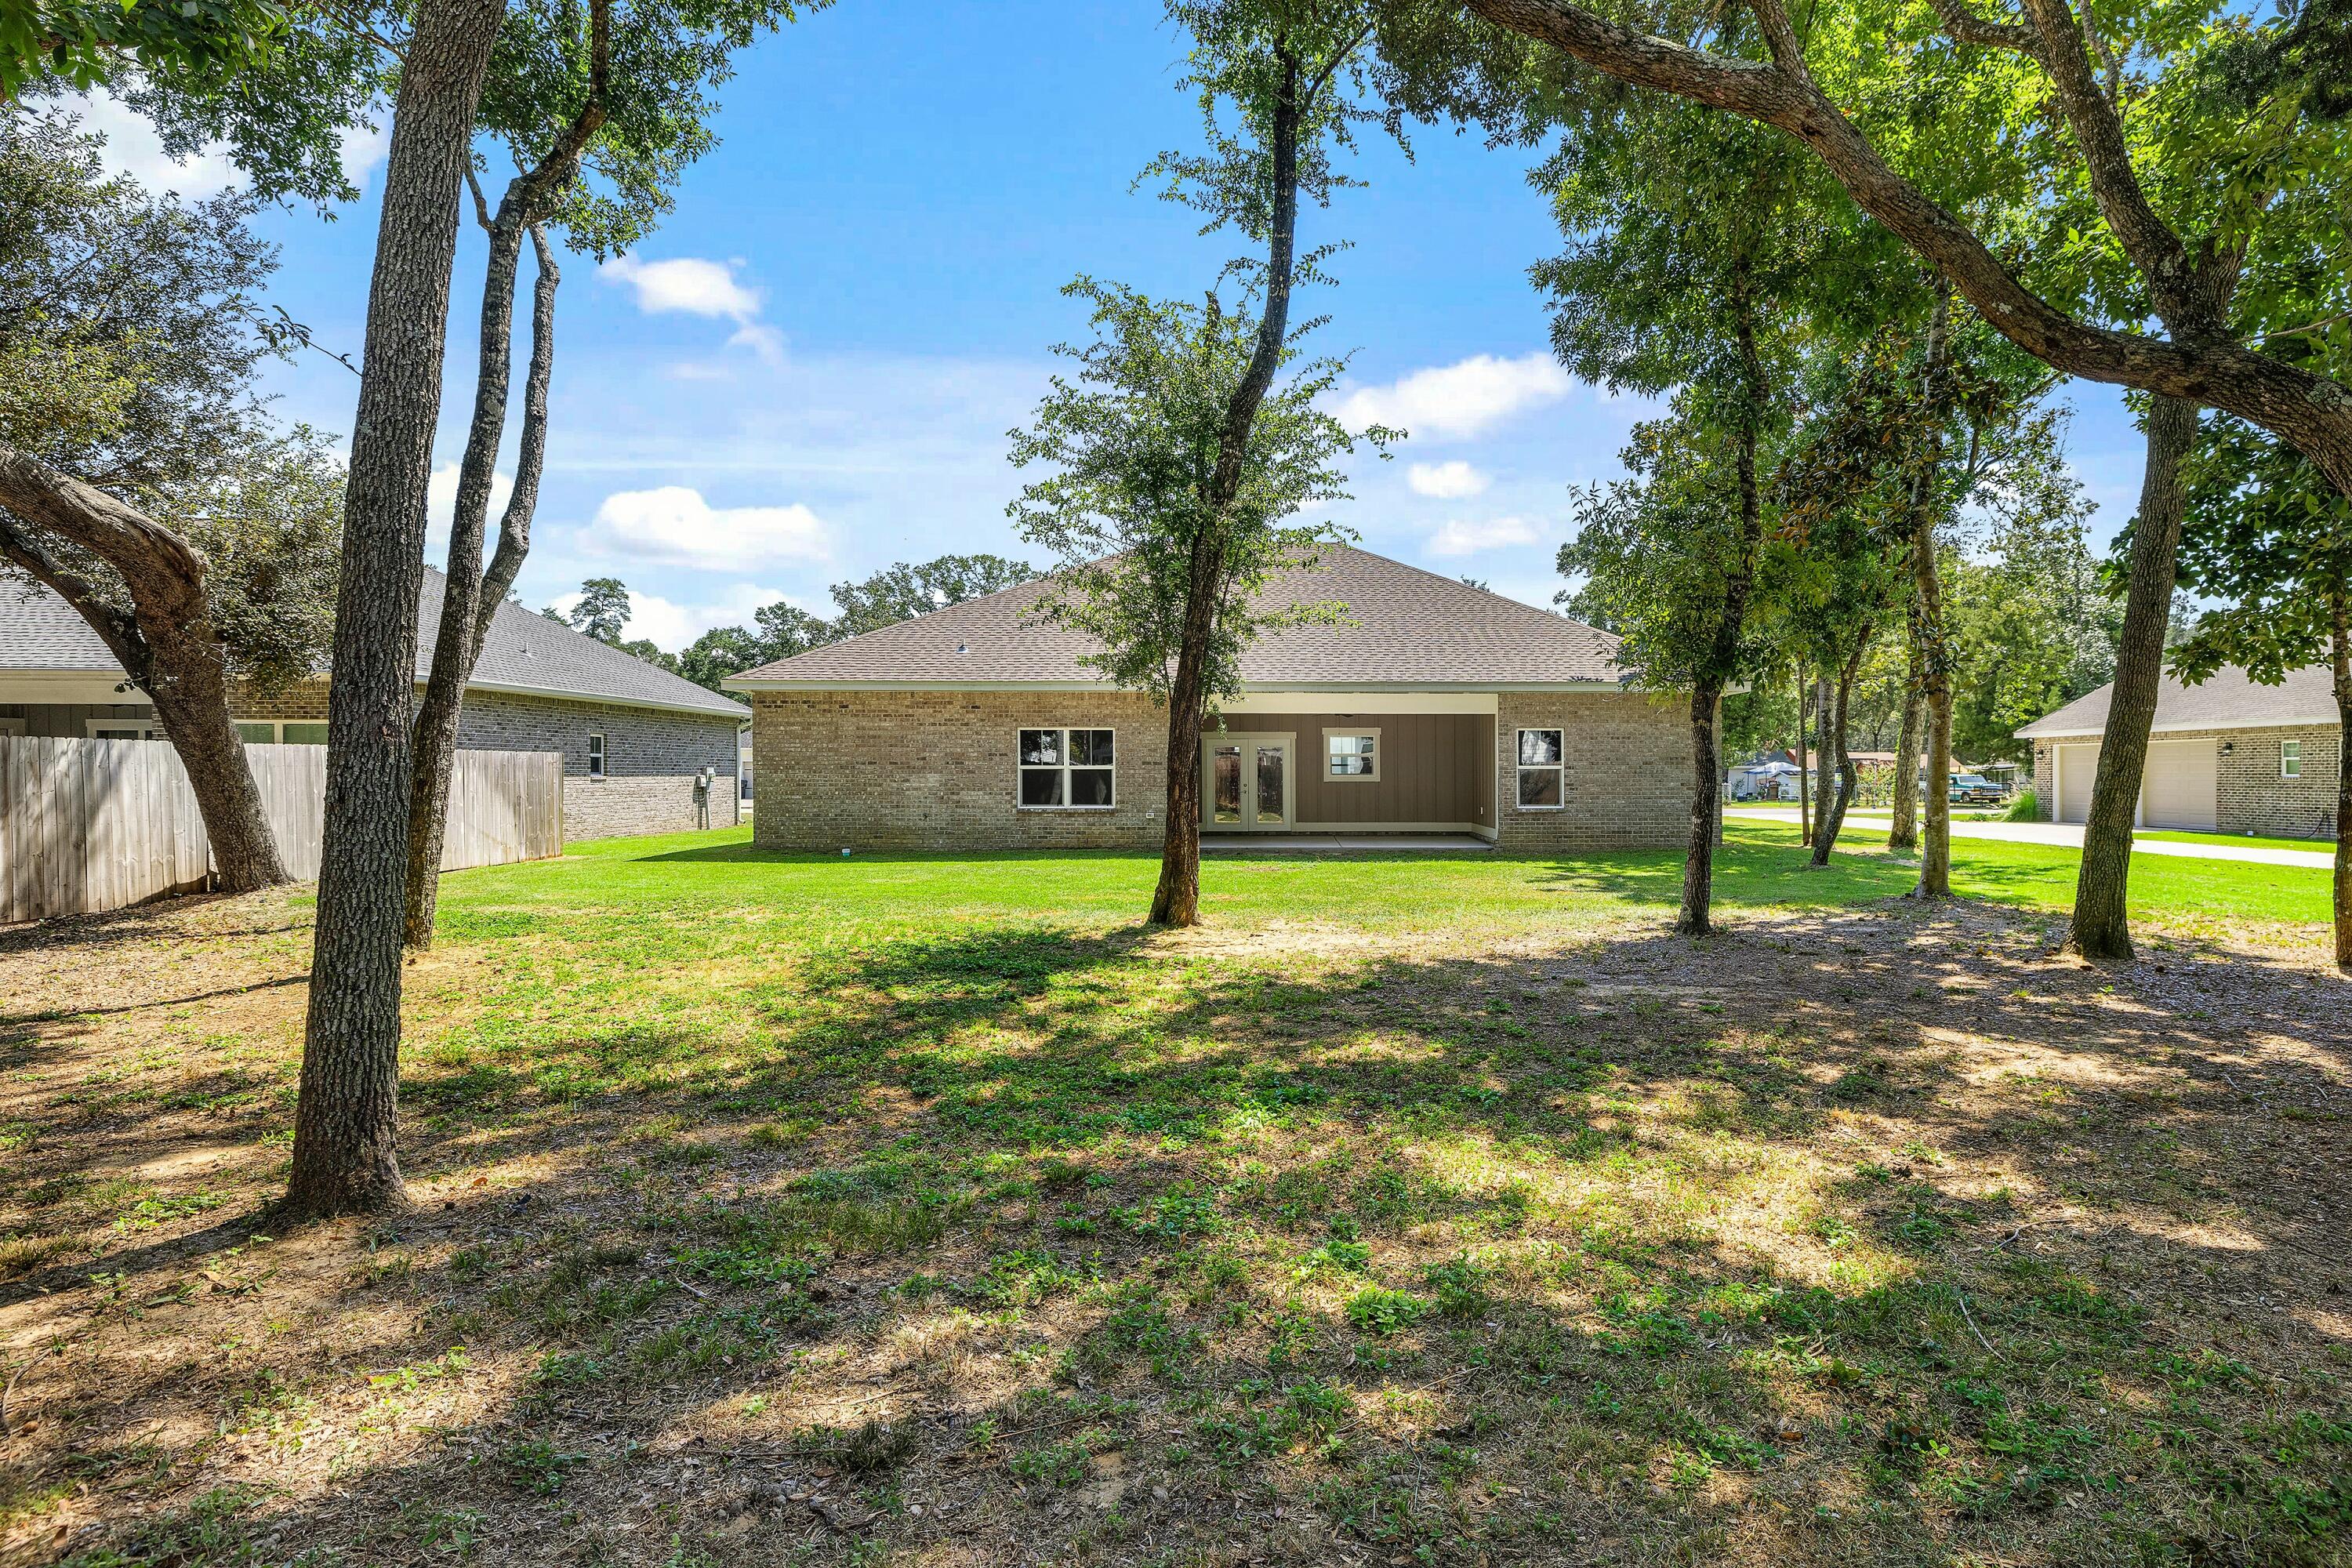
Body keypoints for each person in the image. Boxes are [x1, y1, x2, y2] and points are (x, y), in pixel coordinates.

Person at [693, 765, 713, 829]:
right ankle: (708, 827)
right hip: (705, 788)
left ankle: (708, 826)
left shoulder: (709, 779)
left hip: (707, 788)